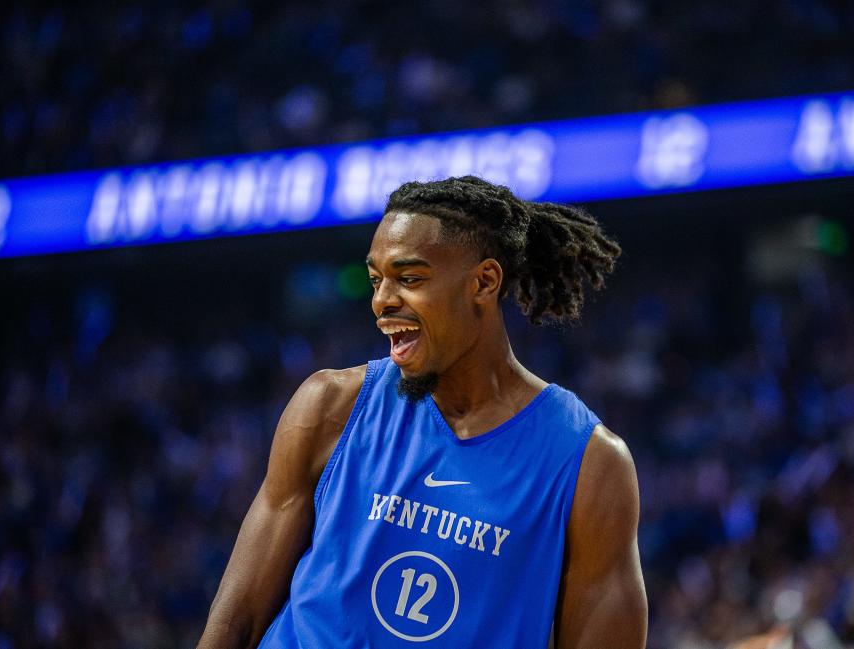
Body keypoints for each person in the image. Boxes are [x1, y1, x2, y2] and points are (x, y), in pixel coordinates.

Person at [197, 176, 647, 648]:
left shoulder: (590, 464)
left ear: (484, 282)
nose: (382, 301)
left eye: (410, 279)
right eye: (376, 280)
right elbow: (236, 621)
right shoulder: (330, 405)